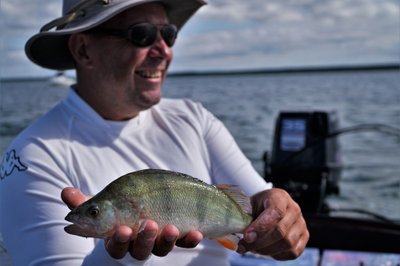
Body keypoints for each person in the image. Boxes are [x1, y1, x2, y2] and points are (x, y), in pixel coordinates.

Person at [0, 0, 309, 265]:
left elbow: (258, 209)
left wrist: (278, 215)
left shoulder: (193, 118)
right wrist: (120, 256)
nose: (163, 50)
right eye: (142, 34)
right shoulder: (36, 155)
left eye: (168, 34)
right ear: (83, 50)